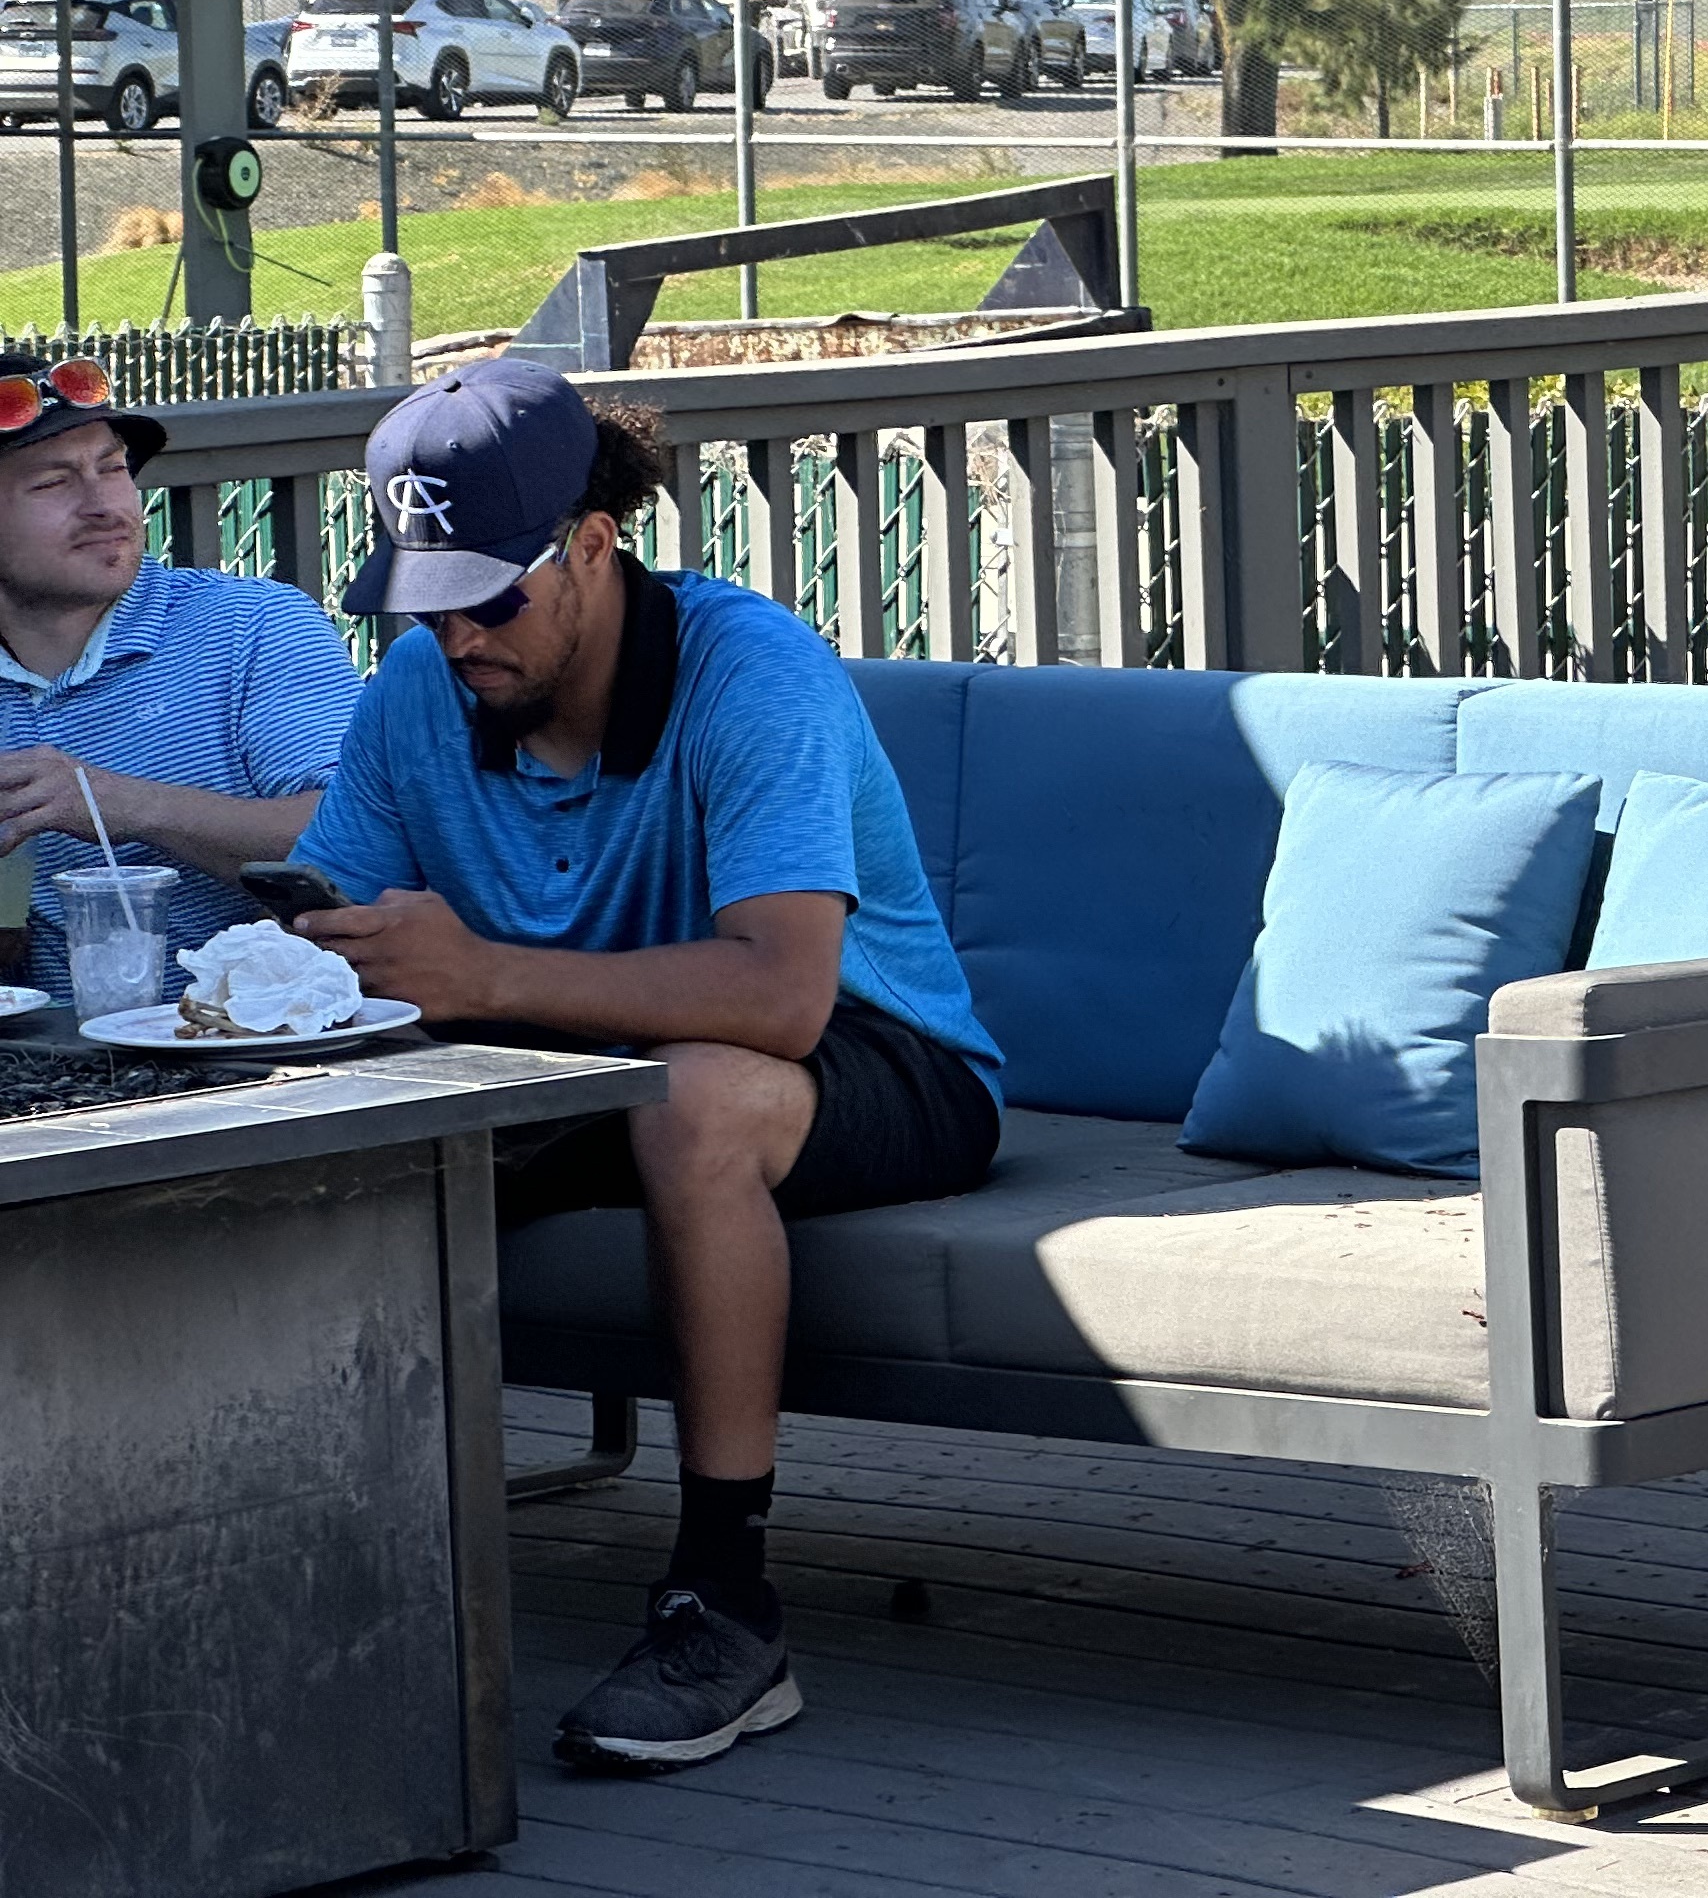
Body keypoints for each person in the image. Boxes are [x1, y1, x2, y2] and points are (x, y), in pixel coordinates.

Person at [289, 357, 1003, 1775]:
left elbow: (783, 995)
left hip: (876, 1052)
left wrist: (484, 978)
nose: (455, 639)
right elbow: (335, 923)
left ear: (594, 546)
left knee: (690, 1098)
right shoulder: (418, 690)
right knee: (328, 1124)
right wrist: (300, 968)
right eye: (423, 605)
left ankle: (724, 1606)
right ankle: (308, 1568)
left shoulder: (753, 674)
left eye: (489, 598)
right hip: (567, 1055)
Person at [0, 348, 360, 996]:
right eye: (53, 483)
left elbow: (358, 840)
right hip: (44, 1056)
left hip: (264, 1046)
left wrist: (117, 803)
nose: (103, 504)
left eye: (113, 469)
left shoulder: (253, 627)